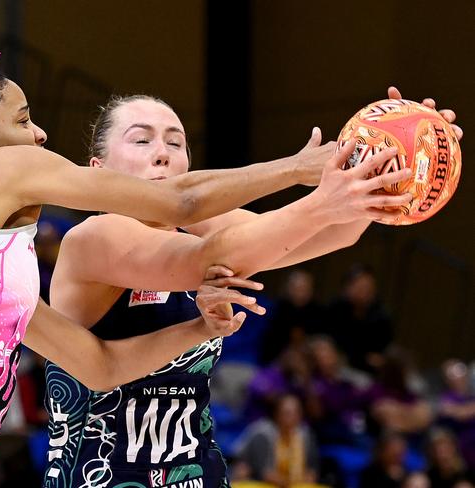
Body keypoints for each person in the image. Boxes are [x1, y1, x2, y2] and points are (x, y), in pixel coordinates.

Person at [0, 4, 291, 487]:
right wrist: (303, 168)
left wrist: (200, 329)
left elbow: (100, 366)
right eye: (24, 120)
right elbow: (181, 201)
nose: (41, 134)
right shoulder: (5, 168)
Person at [41, 85, 459, 487]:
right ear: (98, 172)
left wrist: (390, 171)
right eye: (141, 141)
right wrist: (319, 197)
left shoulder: (201, 227)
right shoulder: (90, 239)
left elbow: (328, 235)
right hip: (101, 479)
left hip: (196, 474)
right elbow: (209, 258)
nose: (162, 156)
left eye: (175, 143)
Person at [233, 394, 321, 487]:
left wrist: (309, 477)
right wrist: (290, 482)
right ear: (276, 414)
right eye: (287, 413)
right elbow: (264, 473)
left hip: (294, 483)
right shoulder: (262, 435)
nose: (293, 417)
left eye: (297, 412)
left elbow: (312, 469)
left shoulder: (305, 435)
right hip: (261, 483)